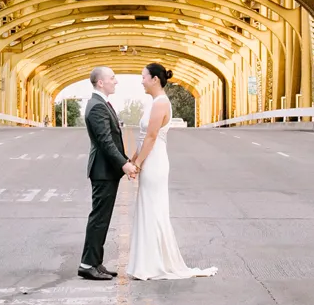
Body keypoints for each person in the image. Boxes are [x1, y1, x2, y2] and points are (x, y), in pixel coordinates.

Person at [127, 62, 217, 280]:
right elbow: (144, 136)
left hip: (155, 161)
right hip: (150, 157)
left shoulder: (160, 103)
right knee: (148, 208)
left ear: (155, 79)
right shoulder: (153, 103)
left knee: (153, 209)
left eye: (144, 77)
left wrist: (138, 164)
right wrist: (133, 158)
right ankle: (147, 262)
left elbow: (151, 136)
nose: (141, 81)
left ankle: (152, 264)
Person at [79, 65, 136, 280]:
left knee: (102, 218)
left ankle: (95, 262)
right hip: (102, 171)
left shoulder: (102, 104)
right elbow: (106, 142)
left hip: (105, 171)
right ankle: (87, 264)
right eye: (112, 78)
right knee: (99, 218)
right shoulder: (97, 107)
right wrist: (124, 164)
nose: (116, 81)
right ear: (100, 82)